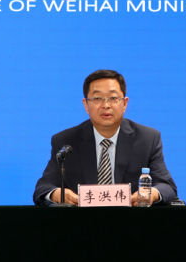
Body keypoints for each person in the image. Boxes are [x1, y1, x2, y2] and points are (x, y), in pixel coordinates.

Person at [33, 69, 177, 206]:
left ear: (124, 103)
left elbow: (167, 187)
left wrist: (151, 194)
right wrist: (58, 194)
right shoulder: (65, 141)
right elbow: (43, 188)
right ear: (86, 105)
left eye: (113, 98)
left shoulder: (147, 139)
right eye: (97, 98)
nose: (106, 105)